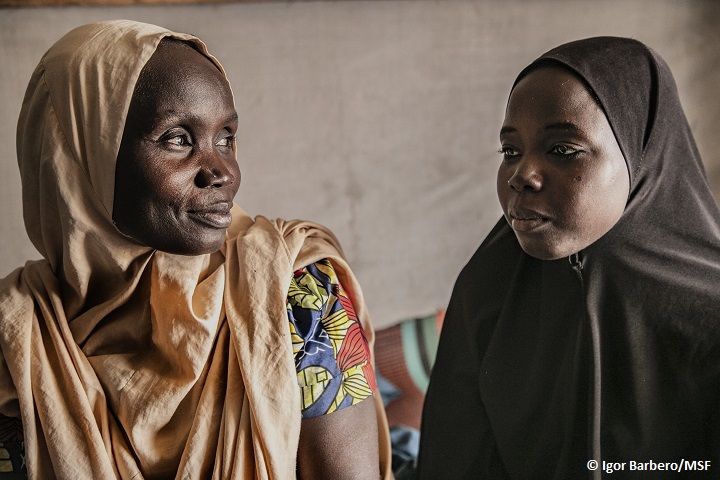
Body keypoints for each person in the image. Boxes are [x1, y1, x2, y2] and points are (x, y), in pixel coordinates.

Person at [0, 20, 391, 479]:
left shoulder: (296, 293)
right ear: (79, 157)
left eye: (226, 137)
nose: (220, 171)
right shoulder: (20, 338)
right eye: (178, 139)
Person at [418, 37, 720, 479]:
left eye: (562, 149)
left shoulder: (707, 322)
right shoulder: (489, 289)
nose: (521, 175)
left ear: (642, 155)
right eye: (510, 152)